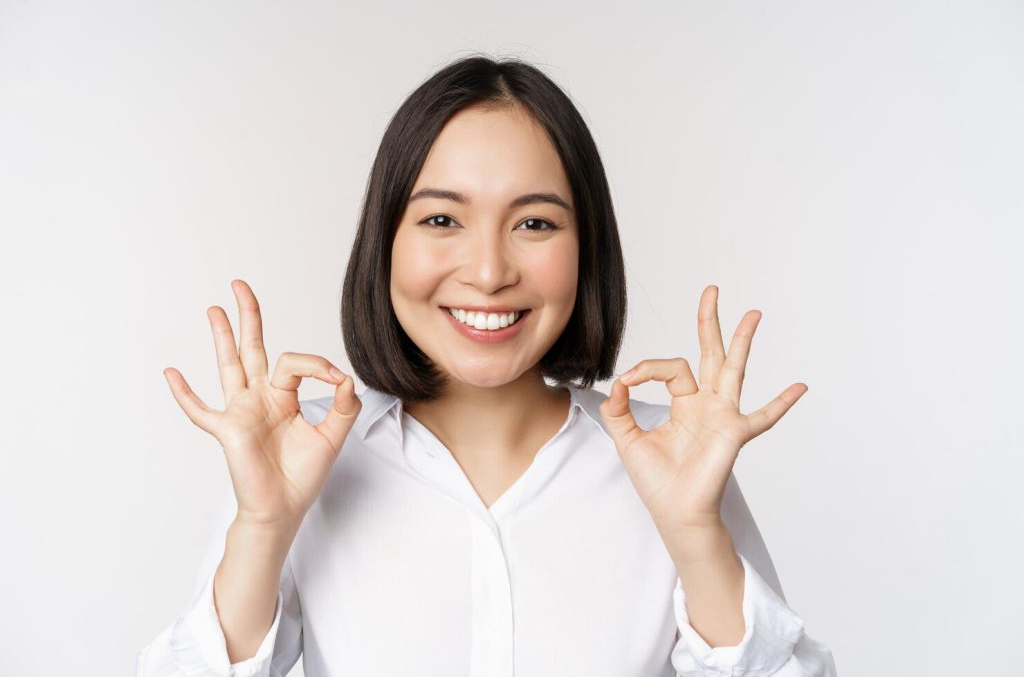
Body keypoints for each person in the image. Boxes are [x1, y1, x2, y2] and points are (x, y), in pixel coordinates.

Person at [135, 54, 837, 676]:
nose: (491, 271)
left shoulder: (671, 462)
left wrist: (695, 535)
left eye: (535, 223)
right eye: (442, 220)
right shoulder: (295, 458)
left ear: (586, 247)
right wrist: (262, 525)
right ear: (385, 241)